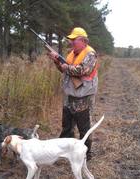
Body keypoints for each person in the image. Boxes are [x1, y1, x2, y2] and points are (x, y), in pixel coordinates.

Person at [48, 27, 98, 160]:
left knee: (84, 128)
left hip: (83, 96)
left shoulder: (90, 54)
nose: (71, 42)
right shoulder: (72, 53)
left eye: (74, 40)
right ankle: (63, 152)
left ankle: (86, 154)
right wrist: (56, 61)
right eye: (71, 40)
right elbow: (63, 70)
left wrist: (67, 67)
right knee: (67, 126)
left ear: (83, 41)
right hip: (69, 95)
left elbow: (83, 70)